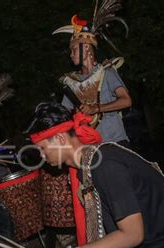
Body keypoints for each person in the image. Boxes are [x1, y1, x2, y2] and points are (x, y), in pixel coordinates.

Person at [27, 103, 164, 248]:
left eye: (43, 149)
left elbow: (132, 235)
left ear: (61, 138)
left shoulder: (105, 166)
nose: (42, 156)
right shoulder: (89, 164)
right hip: (146, 244)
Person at [53, 6, 132, 146]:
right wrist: (75, 114)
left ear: (86, 48)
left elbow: (126, 101)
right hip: (89, 146)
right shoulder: (72, 82)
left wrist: (96, 108)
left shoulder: (106, 72)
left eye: (74, 49)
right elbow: (64, 115)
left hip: (115, 141)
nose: (70, 54)